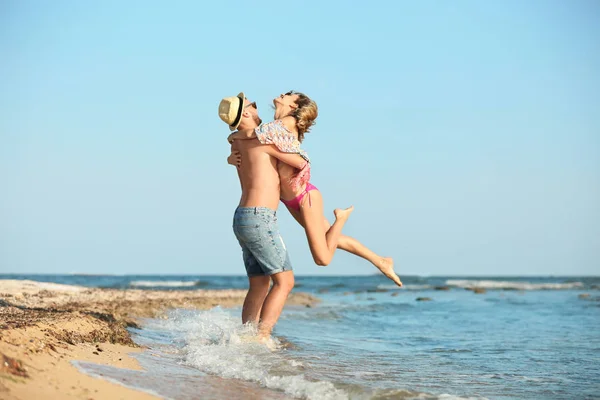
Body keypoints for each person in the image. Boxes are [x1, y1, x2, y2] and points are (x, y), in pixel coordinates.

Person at [227, 91, 402, 287]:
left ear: (294, 107)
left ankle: (342, 218)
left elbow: (252, 134)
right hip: (292, 199)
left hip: (304, 196)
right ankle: (381, 261)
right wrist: (231, 155)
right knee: (335, 240)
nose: (282, 94)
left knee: (323, 258)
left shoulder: (287, 122)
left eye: (288, 95)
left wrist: (233, 136)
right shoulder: (277, 127)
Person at [218, 92, 351, 344]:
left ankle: (246, 338)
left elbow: (238, 137)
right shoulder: (262, 139)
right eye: (252, 106)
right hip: (259, 217)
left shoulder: (237, 142)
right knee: (285, 282)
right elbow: (300, 162)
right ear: (246, 114)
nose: (258, 107)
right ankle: (262, 337)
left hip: (242, 217)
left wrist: (232, 141)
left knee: (258, 284)